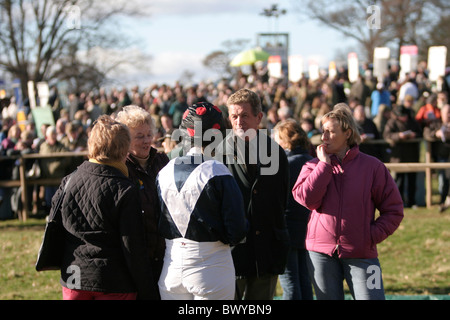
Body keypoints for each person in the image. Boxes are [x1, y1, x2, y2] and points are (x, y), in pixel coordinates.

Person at [292, 104, 404, 300]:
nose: (324, 137)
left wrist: (369, 236)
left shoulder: (373, 167)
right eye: (322, 131)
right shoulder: (312, 165)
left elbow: (393, 210)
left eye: (330, 131)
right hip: (320, 254)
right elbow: (307, 200)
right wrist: (324, 167)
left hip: (362, 253)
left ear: (347, 134)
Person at [57, 115, 157, 300]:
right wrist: (148, 290)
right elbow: (133, 247)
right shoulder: (125, 189)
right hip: (113, 280)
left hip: (74, 276)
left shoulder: (69, 180)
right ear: (124, 148)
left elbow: (57, 227)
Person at [156, 102, 247, 300]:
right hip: (211, 265)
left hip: (171, 267)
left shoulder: (164, 172)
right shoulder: (219, 172)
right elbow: (237, 230)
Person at [217, 88, 290, 300]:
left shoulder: (276, 153)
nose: (239, 122)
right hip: (231, 252)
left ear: (259, 117)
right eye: (234, 116)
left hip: (267, 248)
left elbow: (281, 199)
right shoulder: (219, 153)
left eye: (245, 115)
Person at [114, 105, 169, 297]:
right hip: (135, 259)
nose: (146, 141)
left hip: (165, 255)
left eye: (149, 134)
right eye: (139, 136)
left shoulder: (163, 161)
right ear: (126, 139)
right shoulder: (120, 168)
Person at [273, 119, 314, 300]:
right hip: (308, 226)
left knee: (290, 283)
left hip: (287, 226)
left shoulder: (285, 164)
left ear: (285, 140)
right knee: (304, 280)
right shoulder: (312, 162)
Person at [383, 105, 422, 208]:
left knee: (412, 181)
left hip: (412, 156)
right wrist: (398, 136)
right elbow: (387, 135)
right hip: (398, 157)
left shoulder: (412, 122)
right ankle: (399, 202)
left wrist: (414, 135)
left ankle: (411, 201)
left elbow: (420, 133)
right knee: (399, 181)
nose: (404, 118)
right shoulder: (391, 123)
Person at [423, 103, 450, 212]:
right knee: (443, 180)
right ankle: (442, 201)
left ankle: (445, 201)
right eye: (447, 112)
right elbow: (426, 133)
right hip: (441, 156)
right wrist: (436, 134)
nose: (449, 115)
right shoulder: (436, 123)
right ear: (442, 113)